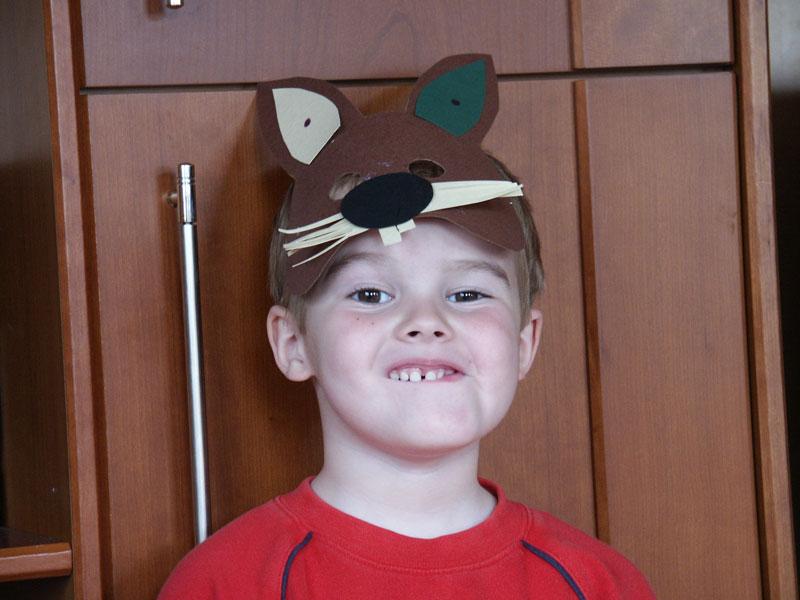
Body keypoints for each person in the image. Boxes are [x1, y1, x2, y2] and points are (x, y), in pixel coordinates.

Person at [158, 54, 655, 599]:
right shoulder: (223, 583)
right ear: (294, 343)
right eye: (370, 294)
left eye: (467, 294)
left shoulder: (600, 584)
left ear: (523, 342)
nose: (426, 322)